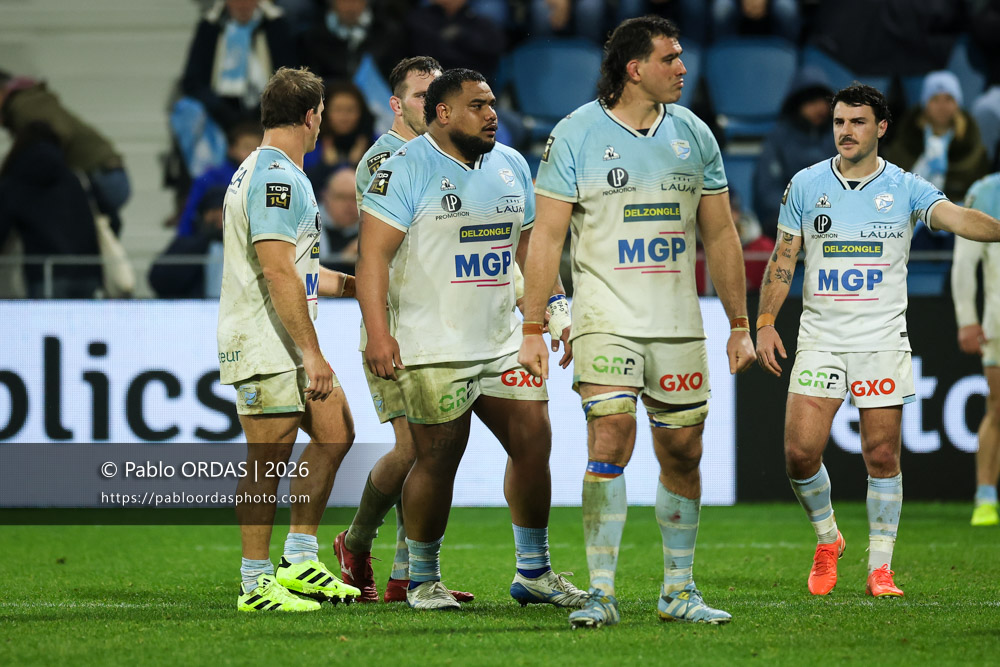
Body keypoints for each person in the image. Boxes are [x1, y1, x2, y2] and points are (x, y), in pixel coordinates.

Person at [518, 16, 755, 629]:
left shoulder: (695, 134)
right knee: (611, 436)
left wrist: (738, 322)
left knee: (683, 449)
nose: (683, 67)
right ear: (634, 68)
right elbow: (545, 238)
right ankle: (601, 592)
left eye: (682, 57)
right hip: (605, 317)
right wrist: (533, 325)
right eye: (670, 58)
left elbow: (721, 233)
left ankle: (678, 591)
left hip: (677, 322)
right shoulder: (575, 133)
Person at [755, 84, 1000, 600]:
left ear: (881, 128)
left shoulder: (907, 188)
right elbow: (783, 257)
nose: (845, 130)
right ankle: (829, 539)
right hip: (821, 336)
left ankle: (881, 569)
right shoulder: (806, 184)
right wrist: (765, 322)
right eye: (840, 122)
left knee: (882, 453)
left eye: (857, 122)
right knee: (799, 454)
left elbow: (957, 218)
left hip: (881, 339)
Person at [357, 67, 586, 611]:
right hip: (431, 344)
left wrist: (554, 310)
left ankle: (534, 570)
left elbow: (534, 252)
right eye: (478, 106)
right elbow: (371, 259)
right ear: (443, 113)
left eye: (492, 105)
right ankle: (422, 579)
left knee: (534, 441)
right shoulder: (402, 169)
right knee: (438, 456)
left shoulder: (510, 164)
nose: (492, 114)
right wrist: (378, 334)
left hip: (503, 339)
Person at [217, 66, 361, 612]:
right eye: (322, 114)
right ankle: (254, 584)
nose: (323, 123)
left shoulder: (278, 173)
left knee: (335, 433)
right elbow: (276, 272)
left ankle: (299, 558)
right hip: (265, 340)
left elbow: (297, 269)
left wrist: (350, 285)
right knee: (267, 459)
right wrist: (312, 352)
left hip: (284, 338)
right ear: (310, 115)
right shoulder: (276, 179)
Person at [334, 56, 475, 604]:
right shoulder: (383, 162)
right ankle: (357, 540)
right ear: (397, 104)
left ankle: (404, 573)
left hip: (441, 322)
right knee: (412, 447)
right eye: (421, 96)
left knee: (434, 448)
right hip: (391, 322)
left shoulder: (446, 153)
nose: (433, 105)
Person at [0, 71, 131, 236]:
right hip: (106, 174)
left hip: (99, 177)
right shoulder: (26, 102)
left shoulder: (23, 104)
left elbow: (56, 134)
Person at [882, 71, 990, 250]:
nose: (942, 106)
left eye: (948, 99)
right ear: (925, 104)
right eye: (935, 99)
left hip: (959, 223)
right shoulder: (904, 142)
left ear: (957, 104)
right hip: (914, 221)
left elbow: (979, 192)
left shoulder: (973, 146)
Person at [951, 171, 1000, 527]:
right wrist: (967, 317)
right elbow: (965, 262)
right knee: (997, 407)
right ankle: (985, 496)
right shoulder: (985, 190)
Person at [754, 66, 834, 238]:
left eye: (824, 101)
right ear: (798, 104)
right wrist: (801, 213)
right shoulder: (779, 138)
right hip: (790, 220)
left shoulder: (838, 136)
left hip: (834, 218)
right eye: (812, 102)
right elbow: (767, 191)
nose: (820, 108)